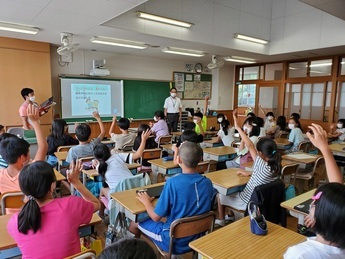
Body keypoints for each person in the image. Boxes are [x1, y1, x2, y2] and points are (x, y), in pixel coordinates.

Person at [129, 142, 214, 255]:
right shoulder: (207, 183)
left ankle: (138, 255)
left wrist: (146, 201)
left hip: (172, 241)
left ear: (178, 160)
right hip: (198, 238)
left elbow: (155, 217)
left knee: (134, 222)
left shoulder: (173, 183)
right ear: (200, 159)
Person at [7, 160, 100, 259]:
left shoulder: (15, 222)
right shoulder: (71, 205)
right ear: (52, 185)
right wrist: (76, 182)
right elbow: (96, 204)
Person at [284, 123, 345, 259]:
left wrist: (325, 149)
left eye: (315, 203)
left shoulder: (300, 254)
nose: (311, 204)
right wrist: (325, 149)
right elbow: (338, 196)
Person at [216, 109, 281, 227]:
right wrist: (251, 173)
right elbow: (263, 176)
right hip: (260, 202)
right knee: (237, 189)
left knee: (220, 195)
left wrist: (238, 127)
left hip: (246, 201)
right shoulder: (275, 167)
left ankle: (221, 219)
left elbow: (250, 145)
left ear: (260, 153)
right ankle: (230, 216)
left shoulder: (260, 163)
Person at [94, 129, 151, 218]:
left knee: (102, 189)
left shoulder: (99, 167)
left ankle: (101, 214)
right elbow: (138, 155)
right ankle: (106, 211)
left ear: (97, 157)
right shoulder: (118, 156)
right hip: (134, 190)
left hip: (119, 197)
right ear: (109, 150)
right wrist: (143, 140)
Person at [0, 104, 47, 194]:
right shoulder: (30, 172)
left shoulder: (1, 175)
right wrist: (35, 122)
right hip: (30, 208)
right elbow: (43, 146)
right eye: (28, 152)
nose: (30, 155)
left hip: (8, 208)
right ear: (22, 158)